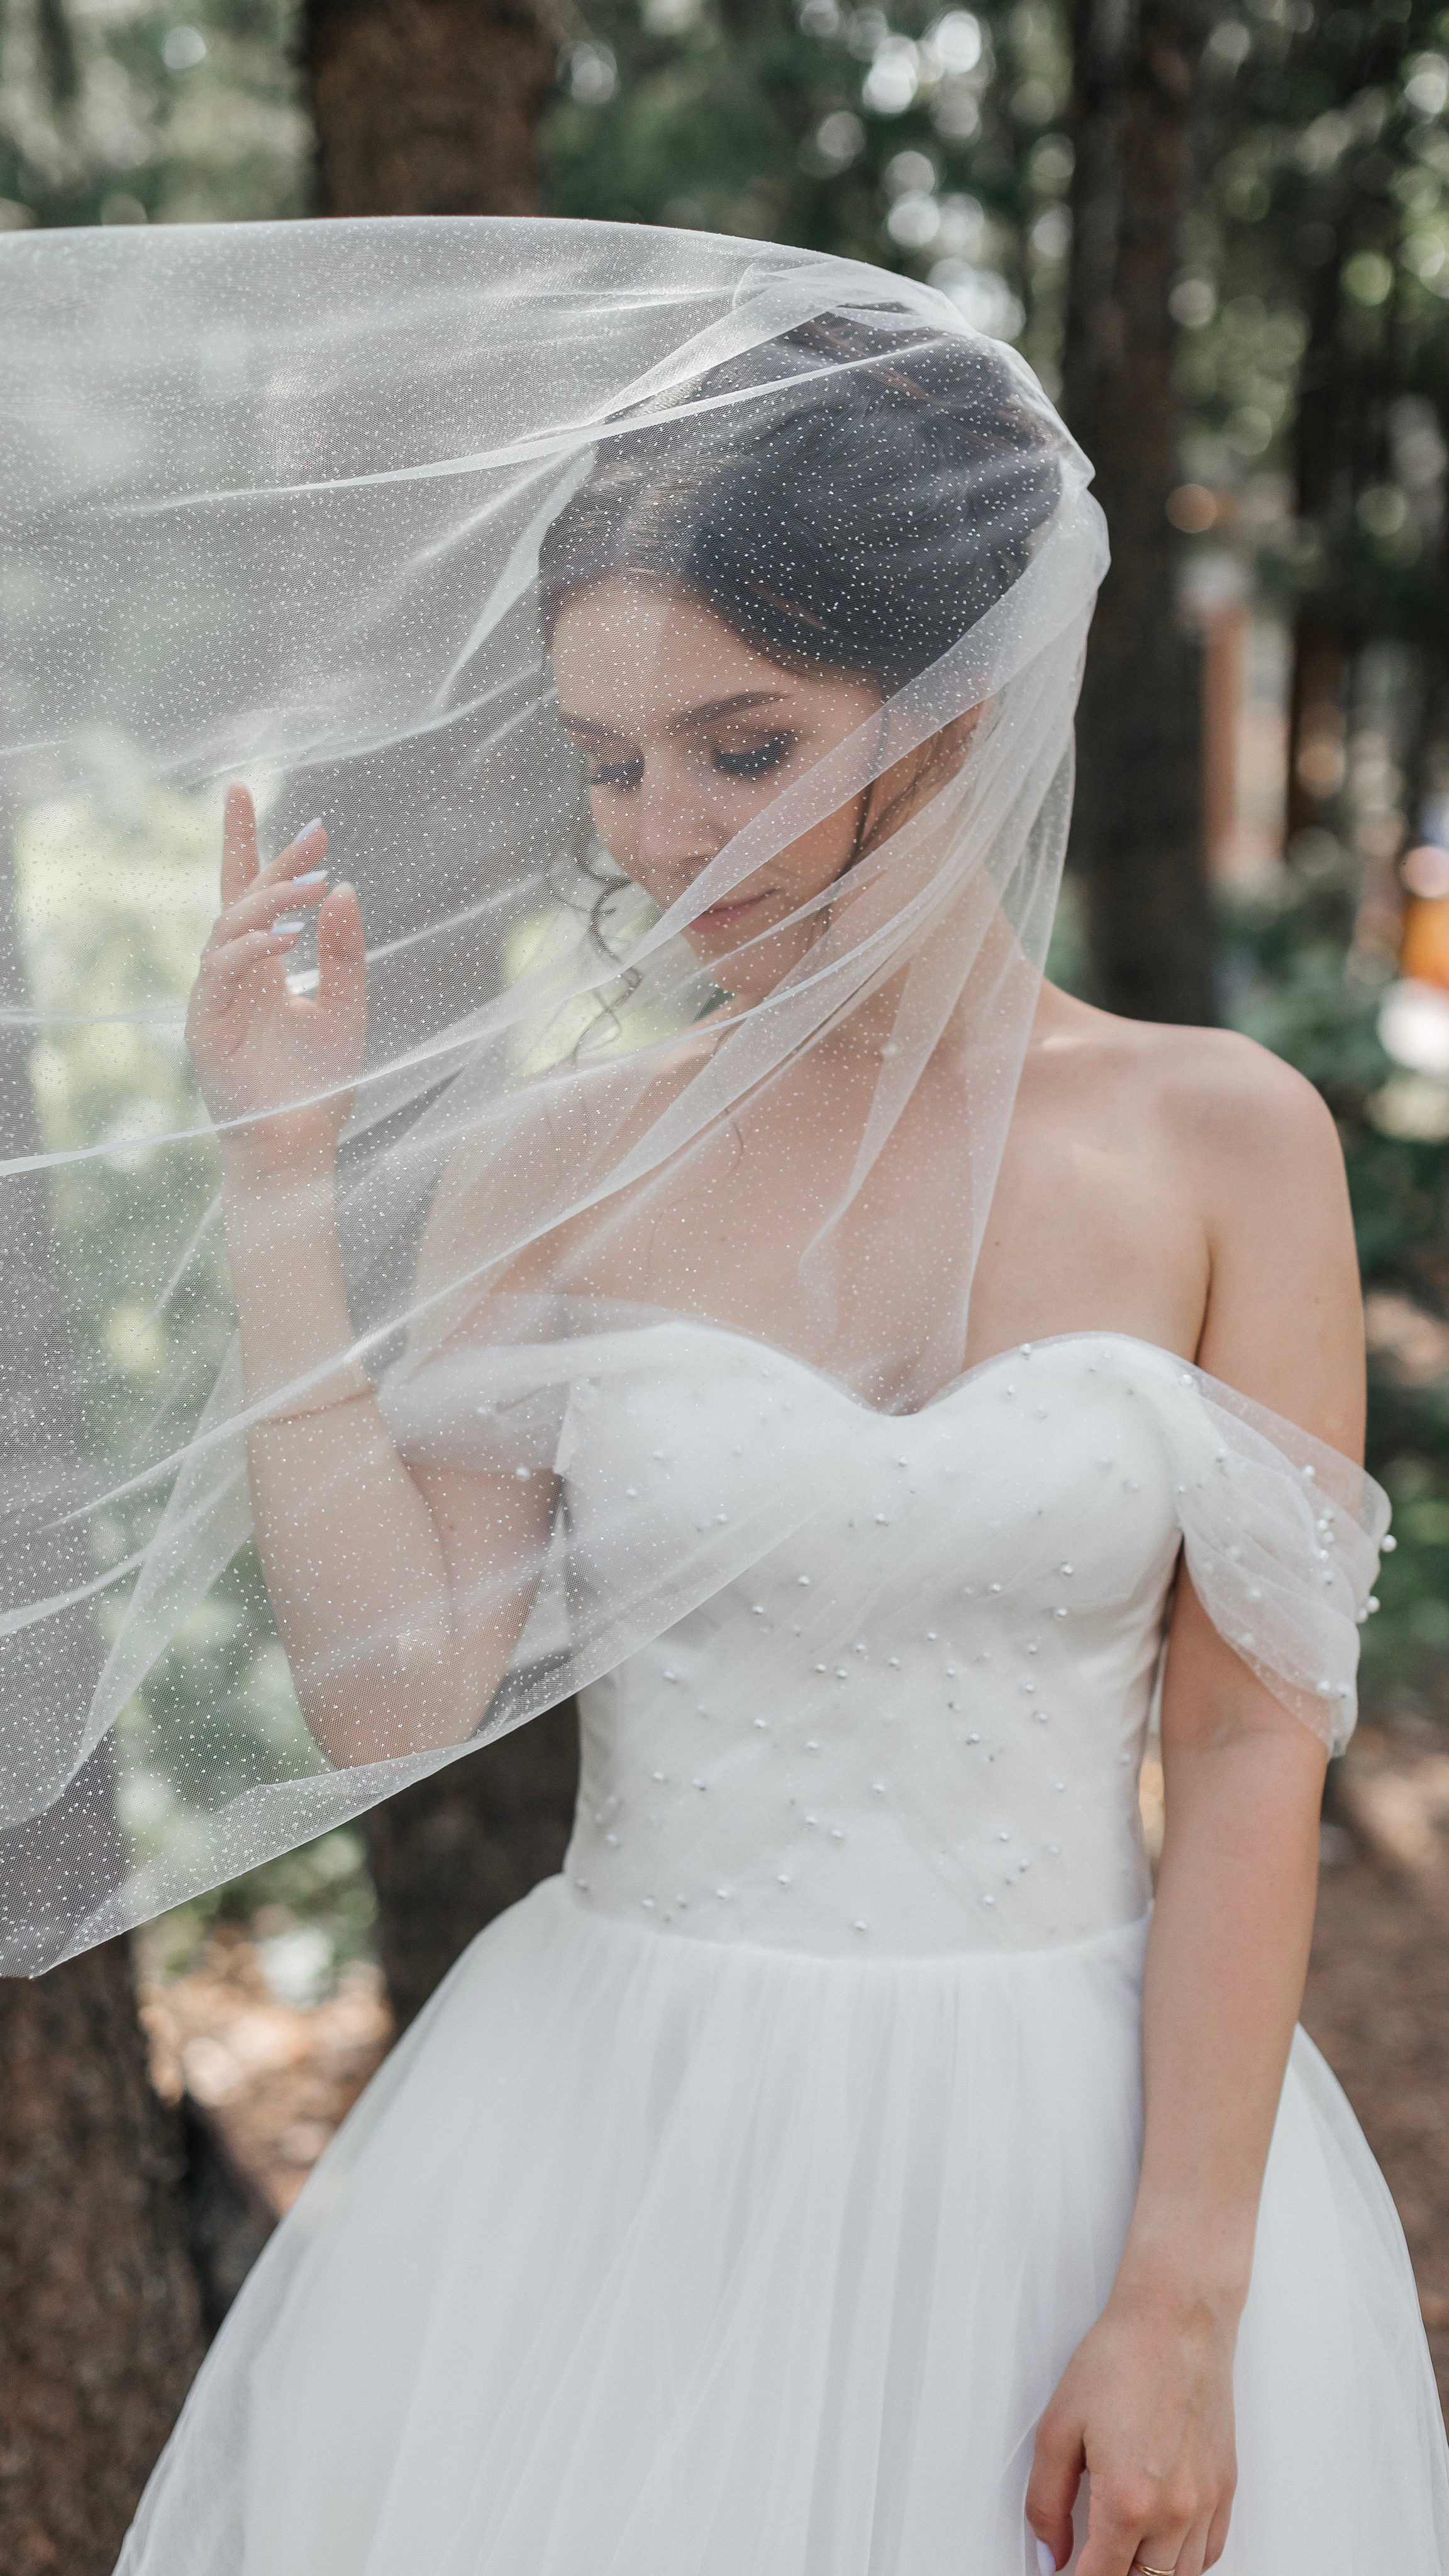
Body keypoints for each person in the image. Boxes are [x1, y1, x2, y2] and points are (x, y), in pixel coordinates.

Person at [0, 225, 1441, 2576]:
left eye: (745, 748)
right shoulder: (549, 1164)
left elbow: (1260, 1741)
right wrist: (277, 1186)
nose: (663, 835)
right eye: (611, 764)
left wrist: (1184, 2295)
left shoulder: (1226, 1145)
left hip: (1085, 2142)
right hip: (612, 2150)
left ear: (959, 700)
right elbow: (390, 1689)